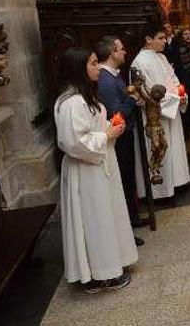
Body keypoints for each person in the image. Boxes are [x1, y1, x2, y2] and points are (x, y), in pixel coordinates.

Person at [55, 47, 137, 293]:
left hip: (99, 165)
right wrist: (106, 136)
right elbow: (73, 142)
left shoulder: (85, 96)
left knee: (102, 217)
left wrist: (109, 128)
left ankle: (106, 266)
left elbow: (91, 128)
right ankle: (101, 274)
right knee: (94, 220)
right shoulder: (72, 102)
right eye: (92, 64)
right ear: (78, 68)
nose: (97, 68)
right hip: (87, 170)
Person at [131, 23, 190, 200]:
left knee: (175, 148)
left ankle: (177, 183)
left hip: (171, 108)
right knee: (160, 150)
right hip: (156, 116)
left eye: (165, 38)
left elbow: (173, 79)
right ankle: (161, 193)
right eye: (161, 38)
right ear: (148, 39)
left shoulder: (162, 58)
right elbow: (148, 92)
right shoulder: (139, 62)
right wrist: (173, 99)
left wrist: (181, 93)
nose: (165, 41)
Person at [95, 36, 144, 245]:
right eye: (121, 49)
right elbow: (116, 113)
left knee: (128, 178)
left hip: (126, 134)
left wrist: (133, 100)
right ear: (112, 53)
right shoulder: (106, 81)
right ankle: (127, 228)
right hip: (119, 138)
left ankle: (132, 219)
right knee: (123, 181)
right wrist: (132, 101)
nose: (125, 52)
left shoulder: (115, 76)